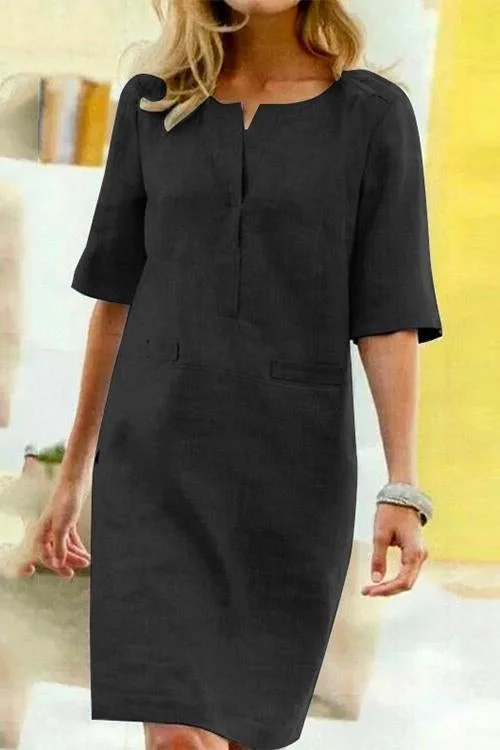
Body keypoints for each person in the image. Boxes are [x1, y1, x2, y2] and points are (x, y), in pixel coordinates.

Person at [20, 0, 443, 748]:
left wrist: (401, 484)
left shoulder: (374, 116)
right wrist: (72, 476)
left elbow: (389, 315)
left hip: (293, 470)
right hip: (155, 461)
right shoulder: (154, 106)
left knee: (244, 729)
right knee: (176, 735)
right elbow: (115, 301)